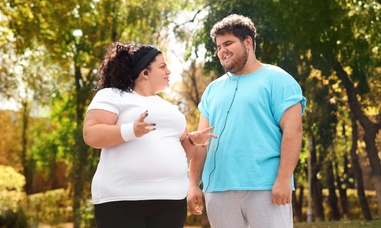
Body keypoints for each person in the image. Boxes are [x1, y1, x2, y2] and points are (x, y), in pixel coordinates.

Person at [187, 14, 306, 228]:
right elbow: (201, 142)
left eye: (228, 43)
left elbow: (293, 131)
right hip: (218, 190)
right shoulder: (213, 89)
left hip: (266, 187)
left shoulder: (278, 79)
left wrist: (283, 178)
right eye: (218, 46)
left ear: (248, 42)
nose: (222, 50)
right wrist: (193, 184)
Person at [83, 42, 216, 228]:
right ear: (145, 73)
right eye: (162, 66)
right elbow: (91, 134)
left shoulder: (171, 109)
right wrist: (131, 130)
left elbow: (184, 153)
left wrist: (194, 141)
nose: (169, 71)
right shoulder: (112, 95)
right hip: (122, 200)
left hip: (170, 200)